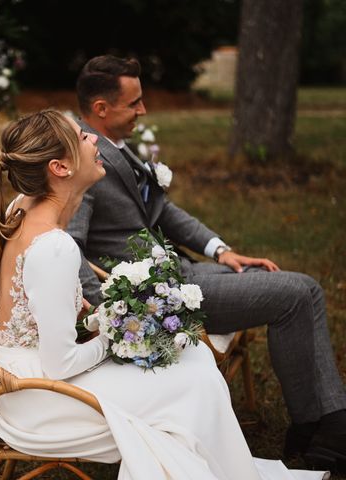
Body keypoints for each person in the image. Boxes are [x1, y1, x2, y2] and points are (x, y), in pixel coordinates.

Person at [0, 109, 327, 479]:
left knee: (194, 360)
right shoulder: (54, 246)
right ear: (60, 168)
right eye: (82, 137)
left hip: (31, 372)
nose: (94, 139)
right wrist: (117, 334)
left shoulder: (24, 205)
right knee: (195, 382)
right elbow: (60, 365)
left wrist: (109, 320)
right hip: (37, 398)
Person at [67, 54, 346, 472]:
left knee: (285, 284)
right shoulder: (84, 160)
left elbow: (164, 211)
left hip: (184, 270)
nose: (143, 110)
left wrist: (220, 250)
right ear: (102, 109)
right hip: (162, 297)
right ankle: (326, 426)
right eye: (134, 103)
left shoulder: (115, 147)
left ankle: (317, 425)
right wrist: (114, 309)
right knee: (298, 291)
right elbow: (70, 247)